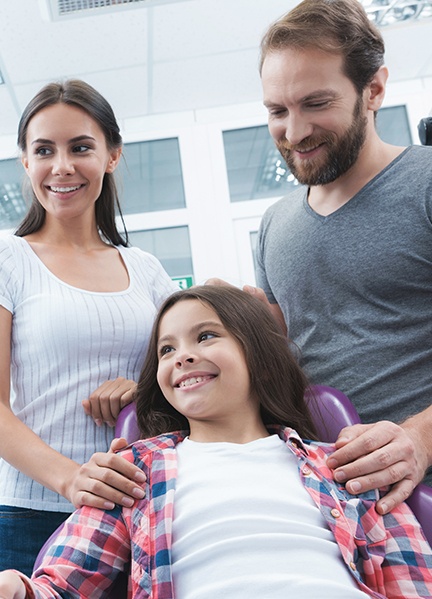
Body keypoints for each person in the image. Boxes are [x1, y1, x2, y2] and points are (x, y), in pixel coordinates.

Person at [0, 285, 431, 598]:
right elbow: (60, 585)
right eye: (166, 350)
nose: (182, 355)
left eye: (206, 336)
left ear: (260, 360)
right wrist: (18, 590)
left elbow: (411, 579)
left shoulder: (344, 464)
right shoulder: (135, 470)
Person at [254, 0, 432, 514]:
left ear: (373, 90)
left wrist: (418, 438)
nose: (294, 131)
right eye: (277, 110)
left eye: (316, 103)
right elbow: (283, 360)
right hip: (334, 500)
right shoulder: (273, 226)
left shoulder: (424, 186)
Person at [0, 79, 178, 576]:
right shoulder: (7, 259)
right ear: (25, 162)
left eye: (80, 147)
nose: (62, 166)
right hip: (32, 517)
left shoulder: (145, 269)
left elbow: (192, 373)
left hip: (141, 509)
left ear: (112, 155)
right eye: (43, 150)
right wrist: (73, 479)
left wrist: (145, 389)